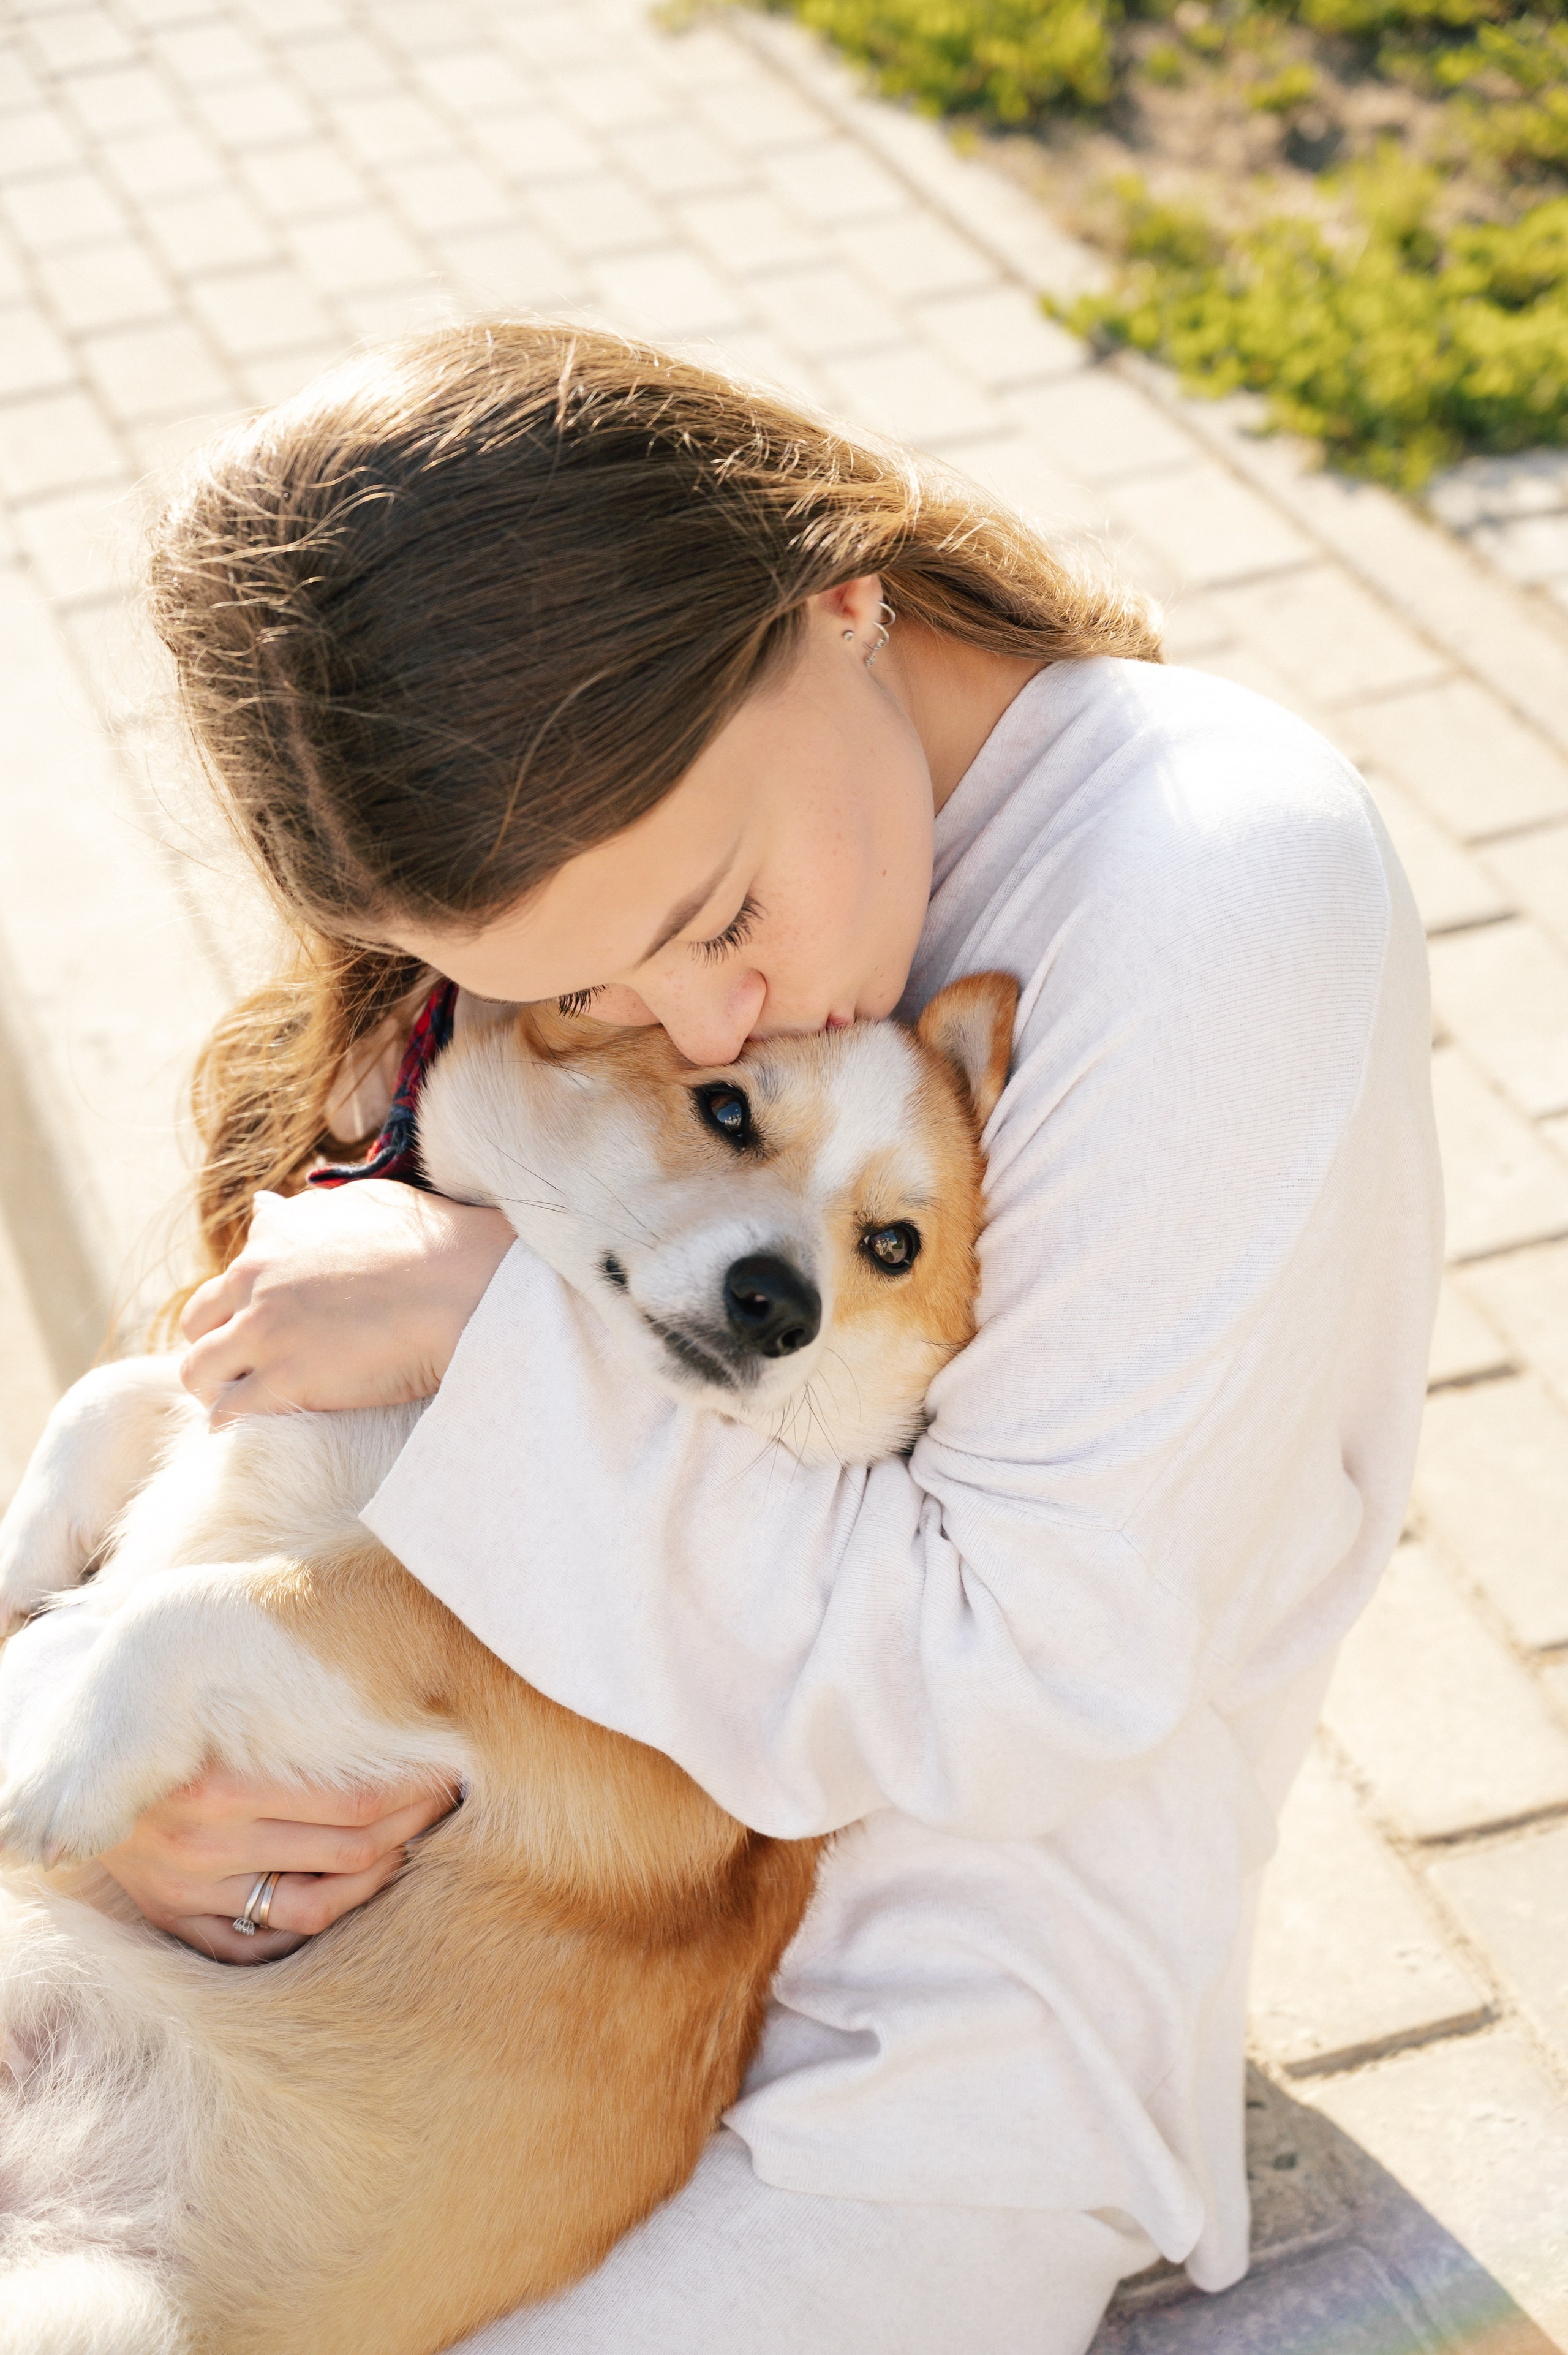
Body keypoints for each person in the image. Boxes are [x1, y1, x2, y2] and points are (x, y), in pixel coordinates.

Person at [3, 323, 1441, 2353]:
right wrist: (170, 1773)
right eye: (591, 984)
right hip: (340, 1984)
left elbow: (1015, 1678)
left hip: (900, 2056)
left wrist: (486, 1328)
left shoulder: (1216, 872)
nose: (705, 1025)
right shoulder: (668, 904)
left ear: (835, 596)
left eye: (716, 912)